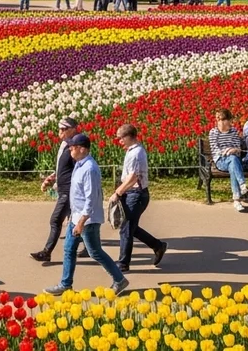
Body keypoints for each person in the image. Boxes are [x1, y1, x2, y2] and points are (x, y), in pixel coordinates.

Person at [44, 133, 129, 296]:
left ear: (82, 149)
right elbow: (77, 192)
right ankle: (65, 284)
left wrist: (81, 222)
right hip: (76, 217)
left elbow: (90, 199)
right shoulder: (79, 164)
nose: (70, 149)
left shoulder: (89, 169)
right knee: (69, 249)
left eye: (73, 147)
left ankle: (119, 280)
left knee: (95, 252)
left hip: (87, 220)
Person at [111, 124, 167, 272]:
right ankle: (158, 246)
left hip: (136, 194)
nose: (119, 141)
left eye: (120, 138)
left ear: (129, 137)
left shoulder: (136, 153)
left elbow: (133, 178)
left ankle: (123, 263)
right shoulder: (133, 151)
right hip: (132, 193)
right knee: (131, 228)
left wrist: (118, 193)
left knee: (126, 228)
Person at [31, 118, 85, 262]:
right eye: (59, 129)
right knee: (76, 221)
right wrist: (52, 179)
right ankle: (89, 247)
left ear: (73, 129)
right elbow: (63, 169)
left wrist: (78, 190)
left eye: (63, 129)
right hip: (64, 189)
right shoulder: (65, 144)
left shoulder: (75, 148)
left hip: (69, 191)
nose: (60, 132)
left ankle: (47, 252)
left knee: (56, 220)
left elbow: (80, 169)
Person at [209, 109, 248, 212]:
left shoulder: (234, 131)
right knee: (233, 160)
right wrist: (227, 151)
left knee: (233, 164)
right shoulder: (213, 132)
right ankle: (242, 183)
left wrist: (234, 150)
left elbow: (237, 148)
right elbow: (215, 149)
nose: (220, 122)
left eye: (223, 119)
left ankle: (237, 200)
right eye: (218, 119)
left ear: (230, 120)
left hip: (234, 159)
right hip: (221, 161)